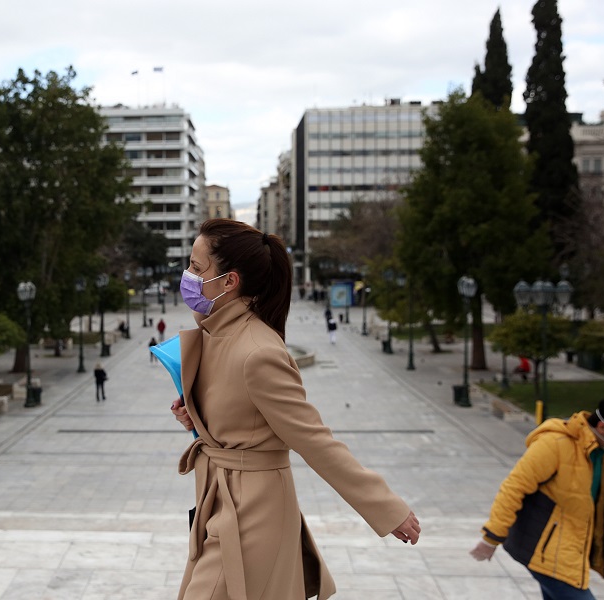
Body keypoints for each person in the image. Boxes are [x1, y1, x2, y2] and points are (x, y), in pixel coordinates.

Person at [169, 218, 420, 599]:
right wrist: (197, 422)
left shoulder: (259, 352)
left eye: (196, 267)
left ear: (229, 281)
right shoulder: (218, 332)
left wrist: (386, 508)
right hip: (221, 501)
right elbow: (242, 420)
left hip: (250, 512)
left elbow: (314, 439)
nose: (187, 276)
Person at [470, 396, 604, 599]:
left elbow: (592, 509)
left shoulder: (600, 456)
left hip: (567, 553)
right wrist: (492, 537)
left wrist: (601, 547)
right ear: (602, 427)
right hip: (546, 553)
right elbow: (514, 488)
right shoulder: (555, 443)